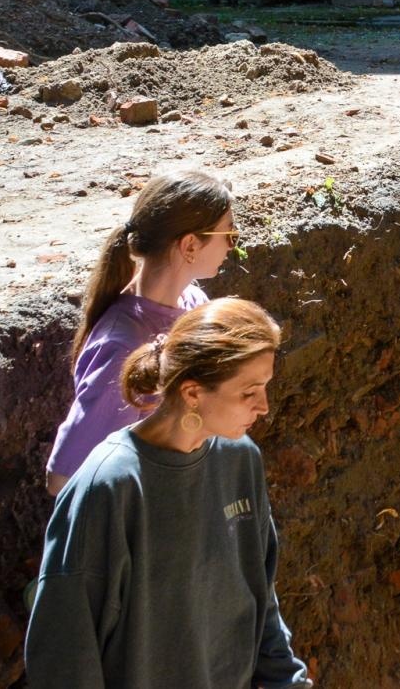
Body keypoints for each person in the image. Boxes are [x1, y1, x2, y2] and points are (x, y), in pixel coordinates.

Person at [25, 298, 311, 688]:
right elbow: (63, 654)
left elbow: (259, 595)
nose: (264, 406)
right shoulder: (108, 486)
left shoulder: (240, 460)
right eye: (250, 392)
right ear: (193, 393)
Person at [45, 169, 238, 495]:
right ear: (190, 244)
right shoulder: (123, 348)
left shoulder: (193, 303)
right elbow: (64, 479)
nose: (232, 247)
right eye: (229, 235)